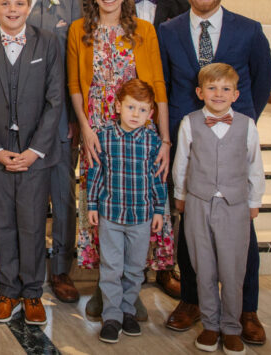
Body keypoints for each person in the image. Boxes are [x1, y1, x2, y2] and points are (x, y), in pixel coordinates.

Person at [158, 0, 271, 345]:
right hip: (187, 136)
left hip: (232, 138)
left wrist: (240, 123)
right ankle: (192, 300)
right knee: (191, 224)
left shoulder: (249, 30)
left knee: (242, 229)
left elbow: (259, 85)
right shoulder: (169, 30)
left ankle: (246, 309)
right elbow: (165, 83)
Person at [0, 0, 82, 303]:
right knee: (13, 212)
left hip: (54, 120)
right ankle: (13, 280)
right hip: (6, 123)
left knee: (60, 196)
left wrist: (72, 114)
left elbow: (73, 53)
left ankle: (60, 272)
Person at [67, 0, 173, 321]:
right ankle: (103, 285)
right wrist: (85, 129)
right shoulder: (79, 30)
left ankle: (133, 288)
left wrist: (165, 139)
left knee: (137, 202)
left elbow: (157, 85)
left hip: (140, 129)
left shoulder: (143, 30)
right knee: (101, 204)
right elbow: (75, 87)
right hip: (98, 129)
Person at [0, 0, 62, 326]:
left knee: (34, 224)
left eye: (19, 3)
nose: (12, 9)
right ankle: (8, 290)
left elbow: (55, 101)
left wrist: (35, 150)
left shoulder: (47, 42)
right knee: (4, 223)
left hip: (35, 154)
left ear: (29, 6)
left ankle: (33, 293)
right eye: (5, 4)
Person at [173, 63, 265, 355]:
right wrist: (180, 194)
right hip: (198, 202)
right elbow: (182, 163)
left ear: (236, 94)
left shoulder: (246, 125)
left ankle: (232, 327)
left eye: (225, 89)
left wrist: (254, 202)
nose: (218, 94)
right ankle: (211, 325)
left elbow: (255, 167)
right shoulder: (189, 123)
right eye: (212, 88)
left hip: (235, 206)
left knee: (233, 269)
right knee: (204, 268)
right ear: (200, 92)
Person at [87, 79, 168, 344]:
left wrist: (158, 210)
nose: (136, 115)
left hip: (141, 217)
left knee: (134, 268)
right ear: (118, 106)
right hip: (111, 214)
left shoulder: (152, 141)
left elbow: (158, 178)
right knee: (112, 267)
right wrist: (92, 205)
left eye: (143, 110)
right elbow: (95, 174)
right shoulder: (105, 136)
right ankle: (111, 317)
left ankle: (127, 310)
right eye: (131, 108)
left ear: (151, 113)